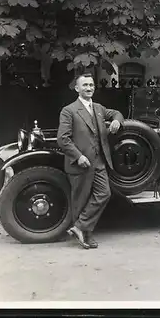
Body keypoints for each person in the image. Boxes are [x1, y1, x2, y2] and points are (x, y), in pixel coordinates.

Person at [57, 73, 125, 250]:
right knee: (81, 199)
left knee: (104, 194)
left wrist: (117, 121)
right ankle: (86, 235)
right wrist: (78, 156)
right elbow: (63, 139)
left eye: (91, 85)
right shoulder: (69, 110)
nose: (89, 88)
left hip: (100, 162)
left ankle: (80, 227)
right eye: (85, 85)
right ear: (77, 88)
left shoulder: (99, 108)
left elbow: (117, 113)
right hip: (81, 162)